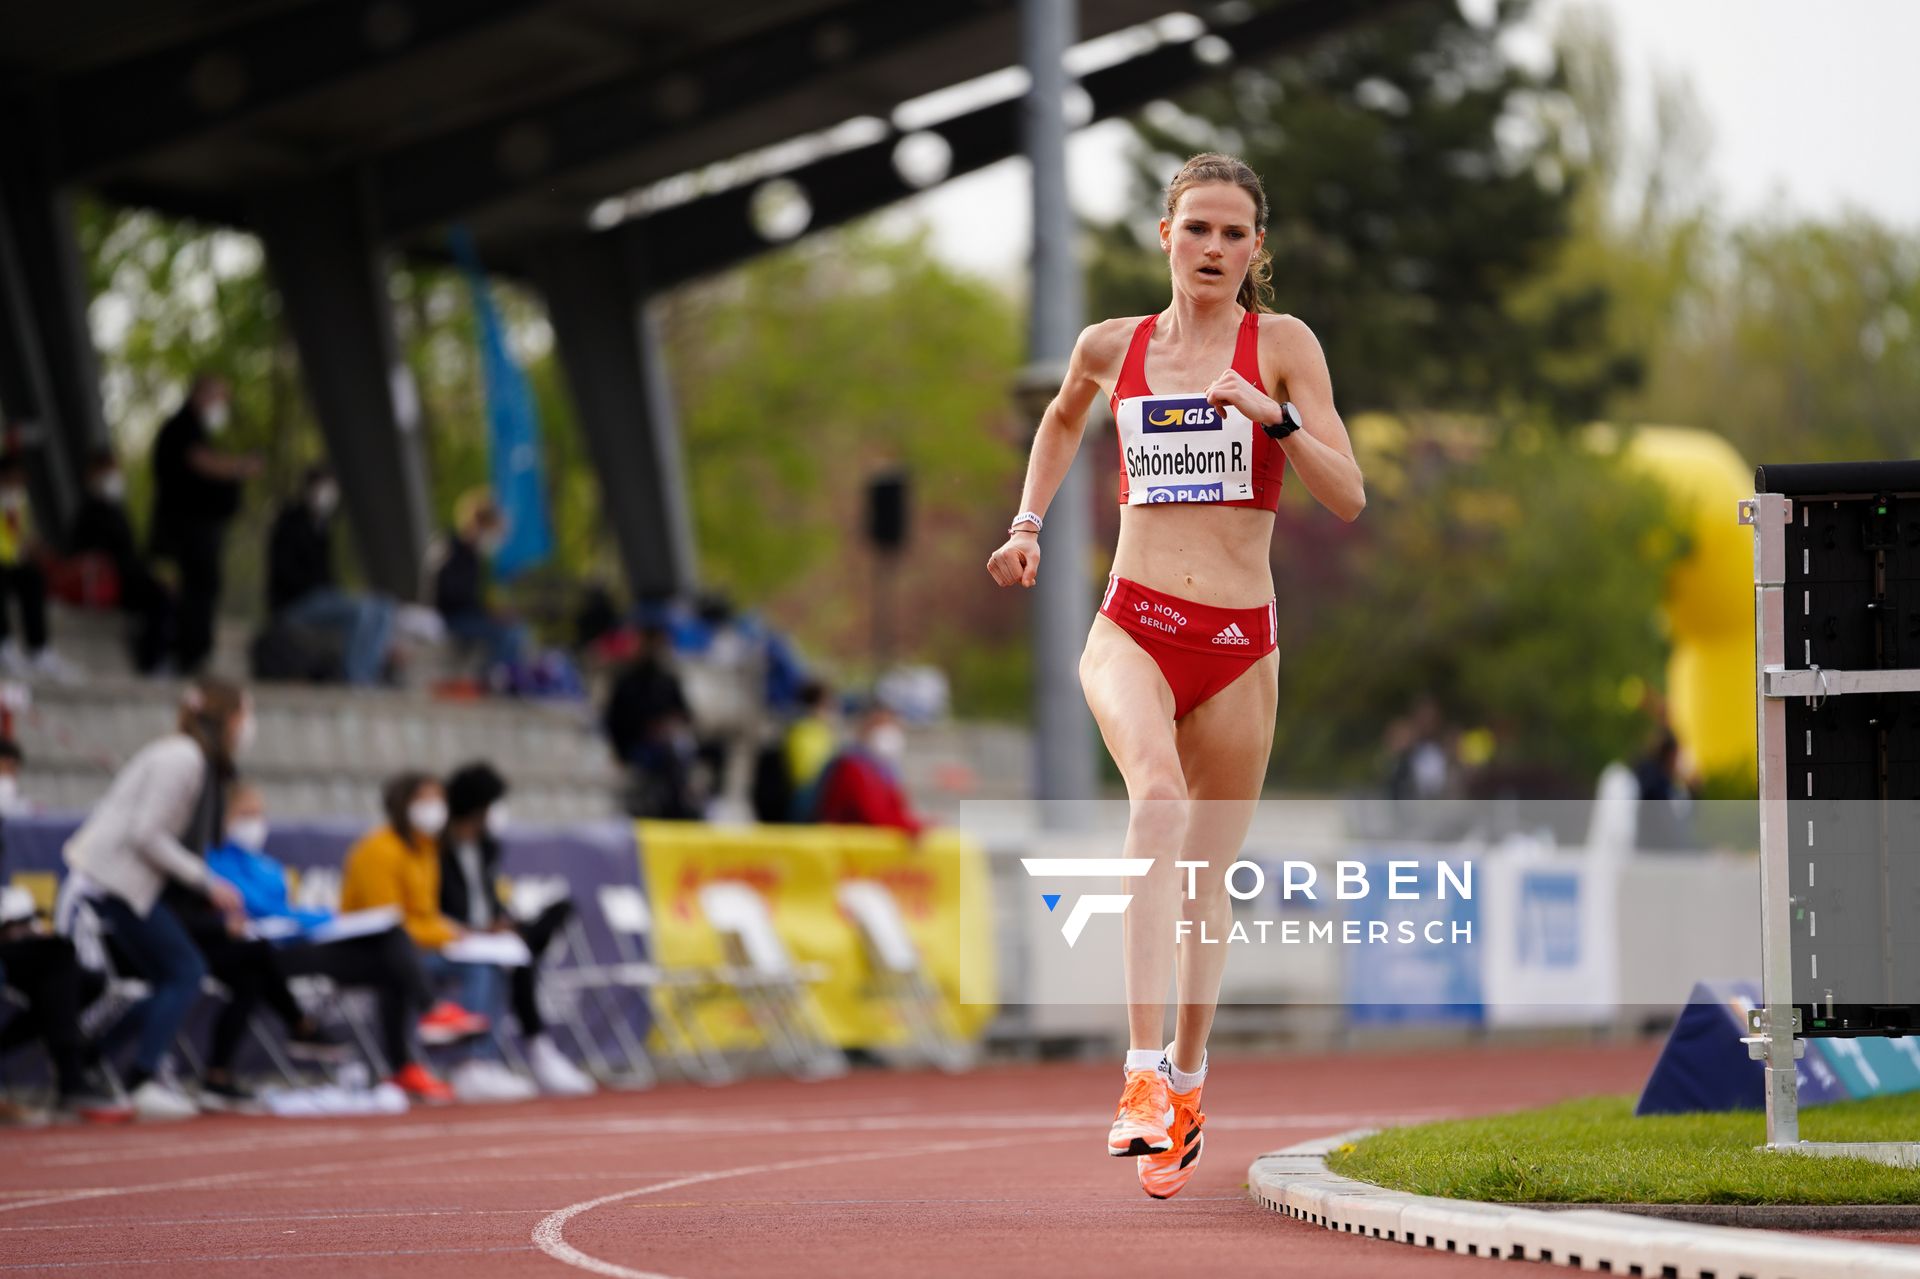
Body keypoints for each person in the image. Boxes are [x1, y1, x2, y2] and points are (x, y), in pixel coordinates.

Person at [984, 153, 1365, 1200]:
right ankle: (1142, 1075)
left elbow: (1348, 495)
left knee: (1204, 884)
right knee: (1153, 798)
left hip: (1242, 644)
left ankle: (1190, 1080)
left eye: (1233, 233)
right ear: (1165, 235)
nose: (1212, 248)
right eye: (1195, 227)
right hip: (1133, 624)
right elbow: (1062, 417)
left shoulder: (1283, 348)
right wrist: (1026, 524)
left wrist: (1272, 416)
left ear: (1257, 250)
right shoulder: (1114, 347)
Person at [59, 678, 254, 1118]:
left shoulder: (194, 758)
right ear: (226, 717)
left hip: (131, 887)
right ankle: (140, 1078)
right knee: (185, 972)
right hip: (111, 883)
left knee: (173, 978)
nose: (248, 726)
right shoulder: (182, 757)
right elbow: (145, 833)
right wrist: (207, 882)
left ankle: (89, 1056)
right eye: (245, 714)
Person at [207, 782, 454, 1102]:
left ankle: (404, 1063)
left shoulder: (268, 868)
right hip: (259, 951)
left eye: (259, 814)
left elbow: (284, 913)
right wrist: (324, 918)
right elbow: (259, 909)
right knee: (391, 941)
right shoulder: (212, 861)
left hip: (294, 943)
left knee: (392, 959)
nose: (254, 823)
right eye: (244, 814)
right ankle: (428, 1010)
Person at [341, 771, 534, 1102]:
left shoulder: (426, 850)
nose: (435, 808)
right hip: (375, 952)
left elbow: (425, 915)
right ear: (403, 805)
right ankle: (460, 1055)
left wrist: (459, 933)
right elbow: (385, 922)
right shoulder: (378, 850)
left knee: (489, 966)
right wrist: (452, 934)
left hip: (418, 948)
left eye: (438, 801)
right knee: (471, 968)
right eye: (425, 800)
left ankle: (479, 1062)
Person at [440, 762, 595, 1096]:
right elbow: (433, 908)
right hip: (453, 940)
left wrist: (501, 921)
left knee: (555, 913)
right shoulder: (436, 850)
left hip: (487, 935)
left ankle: (532, 1051)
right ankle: (483, 1062)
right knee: (498, 962)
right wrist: (474, 929)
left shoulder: (487, 847)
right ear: (478, 806)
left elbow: (489, 898)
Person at [149, 374, 262, 674]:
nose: (223, 405)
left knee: (203, 589)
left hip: (199, 531)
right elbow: (201, 462)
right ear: (202, 395)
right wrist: (239, 467)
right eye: (219, 398)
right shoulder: (182, 428)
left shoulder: (199, 430)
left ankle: (193, 655)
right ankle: (175, 656)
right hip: (182, 531)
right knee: (183, 591)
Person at [265, 464, 396, 686]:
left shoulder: (324, 529)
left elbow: (328, 576)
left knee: (384, 607)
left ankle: (370, 674)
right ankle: (355, 677)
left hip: (322, 599)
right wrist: (324, 592)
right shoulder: (289, 521)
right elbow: (284, 571)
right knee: (360, 611)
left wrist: (339, 595)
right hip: (295, 602)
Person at [66, 447, 172, 674]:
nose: (112, 478)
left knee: (166, 597)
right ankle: (151, 664)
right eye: (107, 471)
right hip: (112, 581)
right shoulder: (87, 512)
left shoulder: (117, 510)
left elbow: (132, 551)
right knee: (159, 599)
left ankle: (159, 659)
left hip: (128, 576)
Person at [603, 623, 700, 819]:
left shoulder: (668, 680)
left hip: (667, 749)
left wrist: (668, 726)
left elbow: (686, 715)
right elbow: (614, 722)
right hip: (636, 750)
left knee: (677, 755)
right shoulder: (626, 682)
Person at [432, 491, 530, 674]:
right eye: (494, 531)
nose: (495, 540)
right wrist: (489, 614)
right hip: (449, 617)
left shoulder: (474, 557)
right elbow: (448, 594)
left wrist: (492, 612)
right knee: (510, 633)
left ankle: (503, 676)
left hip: (465, 615)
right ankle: (493, 677)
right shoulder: (450, 548)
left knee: (517, 628)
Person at [0, 451, 77, 682]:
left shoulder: (18, 503)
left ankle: (38, 649)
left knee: (33, 578)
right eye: (14, 479)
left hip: (12, 563)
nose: (19, 484)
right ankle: (4, 644)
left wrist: (32, 547)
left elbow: (20, 539)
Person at [811, 700, 922, 836]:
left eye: (891, 725)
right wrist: (916, 828)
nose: (888, 732)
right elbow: (874, 817)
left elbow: (897, 811)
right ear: (864, 728)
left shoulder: (886, 770)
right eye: (880, 725)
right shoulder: (851, 766)